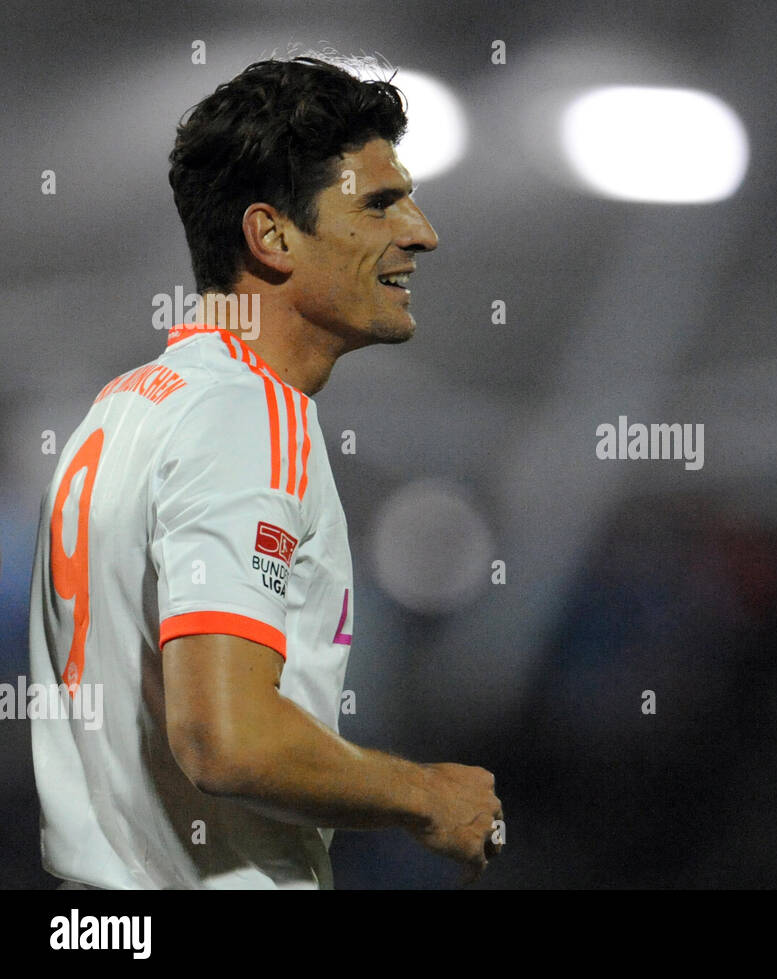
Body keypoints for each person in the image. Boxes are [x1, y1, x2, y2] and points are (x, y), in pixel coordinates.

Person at [27, 56, 502, 889]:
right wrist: (427, 796)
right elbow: (227, 736)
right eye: (379, 204)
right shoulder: (249, 414)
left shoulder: (126, 407)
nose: (421, 232)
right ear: (271, 236)